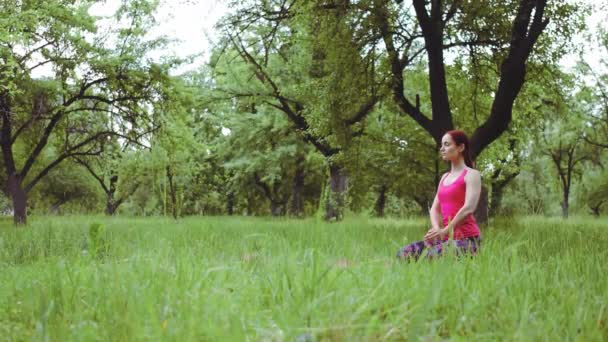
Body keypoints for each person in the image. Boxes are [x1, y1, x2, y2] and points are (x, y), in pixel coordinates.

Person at [397, 130, 482, 260]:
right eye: (442, 145)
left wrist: (445, 230)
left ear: (461, 147)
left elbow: (469, 207)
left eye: (447, 144)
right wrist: (437, 230)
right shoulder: (444, 177)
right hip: (445, 238)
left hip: (467, 240)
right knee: (404, 254)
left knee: (429, 258)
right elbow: (435, 209)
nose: (442, 149)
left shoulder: (472, 175)